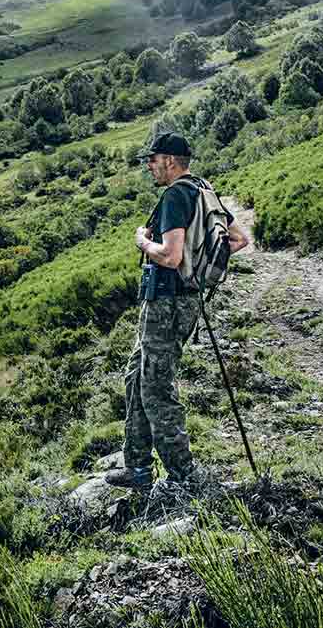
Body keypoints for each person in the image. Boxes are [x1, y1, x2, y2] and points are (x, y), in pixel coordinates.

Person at [107, 131, 251, 490]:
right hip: (181, 301)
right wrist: (200, 269)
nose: (149, 167)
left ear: (169, 161)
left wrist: (142, 240)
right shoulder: (204, 190)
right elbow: (239, 239)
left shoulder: (174, 195)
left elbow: (170, 257)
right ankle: (137, 466)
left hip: (166, 303)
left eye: (152, 160)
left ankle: (183, 475)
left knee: (156, 386)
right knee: (136, 376)